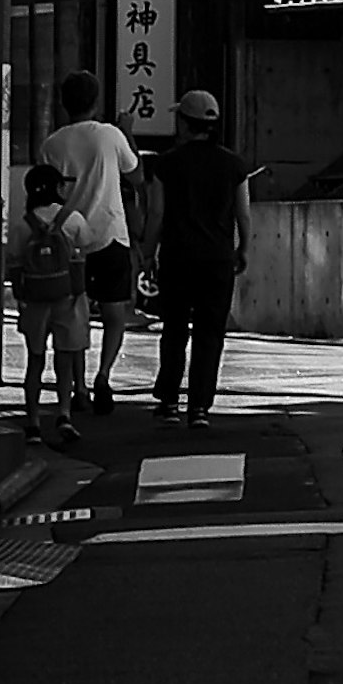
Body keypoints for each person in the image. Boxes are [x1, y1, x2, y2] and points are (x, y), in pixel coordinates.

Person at [148, 87, 254, 429]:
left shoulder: (166, 164)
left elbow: (157, 215)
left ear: (184, 123)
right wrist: (244, 248)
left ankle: (169, 401)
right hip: (217, 259)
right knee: (211, 332)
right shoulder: (233, 165)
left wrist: (147, 255)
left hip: (178, 257)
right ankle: (200, 408)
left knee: (175, 329)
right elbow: (243, 215)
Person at [37, 84, 141, 413]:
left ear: (64, 104)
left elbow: (45, 190)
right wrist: (128, 132)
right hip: (110, 234)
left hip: (69, 239)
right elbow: (136, 175)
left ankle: (79, 387)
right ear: (96, 102)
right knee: (114, 315)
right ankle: (104, 374)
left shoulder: (51, 144)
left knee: (74, 317)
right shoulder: (110, 135)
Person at [4, 164, 87, 444]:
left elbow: (14, 261)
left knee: (35, 359)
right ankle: (64, 413)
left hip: (35, 300)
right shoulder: (71, 219)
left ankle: (33, 421)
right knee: (65, 358)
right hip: (67, 297)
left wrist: (20, 296)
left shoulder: (22, 224)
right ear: (57, 188)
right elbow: (87, 244)